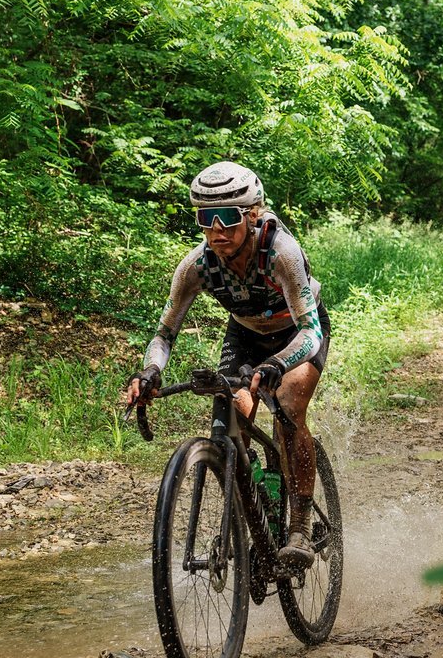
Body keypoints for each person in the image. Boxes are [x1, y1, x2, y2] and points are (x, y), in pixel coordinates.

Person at [123, 161, 328, 568]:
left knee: (287, 405)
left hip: (297, 335)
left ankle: (300, 527)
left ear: (252, 214)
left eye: (228, 218)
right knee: (236, 413)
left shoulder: (280, 254)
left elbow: (312, 333)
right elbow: (165, 335)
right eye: (205, 218)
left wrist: (276, 364)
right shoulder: (196, 266)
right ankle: (254, 505)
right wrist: (149, 371)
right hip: (246, 334)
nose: (217, 230)